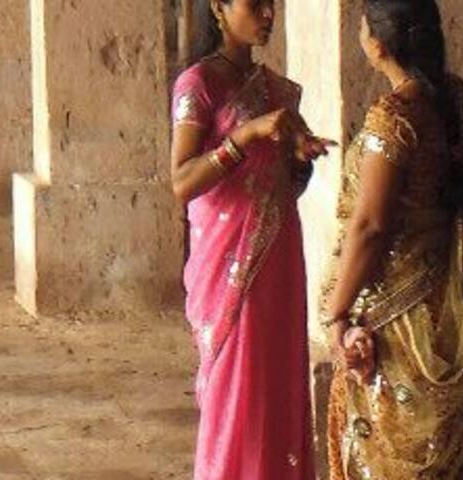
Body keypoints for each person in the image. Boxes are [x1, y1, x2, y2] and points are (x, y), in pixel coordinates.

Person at [321, 0, 463, 477]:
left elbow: (370, 227)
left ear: (378, 44)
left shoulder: (394, 116)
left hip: (397, 325)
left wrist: (336, 313)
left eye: (363, 22)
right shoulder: (458, 103)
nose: (360, 29)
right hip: (448, 309)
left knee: (390, 457)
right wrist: (442, 219)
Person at [169, 0, 334, 478]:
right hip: (229, 270)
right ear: (219, 6)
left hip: (278, 256)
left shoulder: (275, 89)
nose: (268, 14)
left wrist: (299, 159)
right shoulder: (198, 84)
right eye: (255, 4)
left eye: (273, 4)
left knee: (277, 385)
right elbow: (182, 182)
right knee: (236, 389)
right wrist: (243, 137)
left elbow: (281, 183)